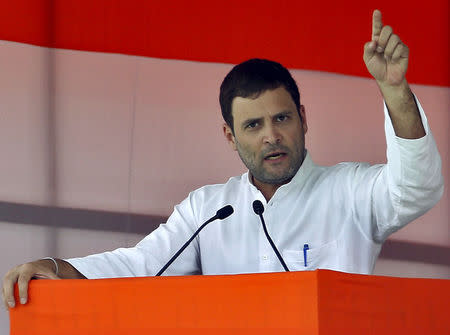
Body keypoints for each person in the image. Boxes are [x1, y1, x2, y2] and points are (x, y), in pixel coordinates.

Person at [2, 9, 443, 310]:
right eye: (253, 126)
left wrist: (394, 90)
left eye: (282, 117)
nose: (272, 135)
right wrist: (56, 268)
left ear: (303, 119)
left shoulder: (349, 191)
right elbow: (140, 266)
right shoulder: (209, 210)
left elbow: (417, 188)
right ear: (230, 137)